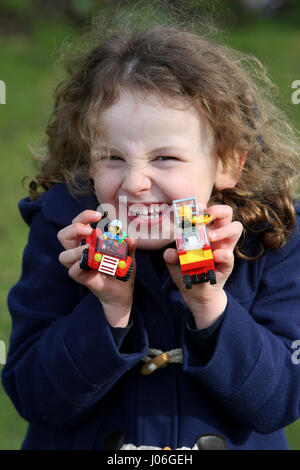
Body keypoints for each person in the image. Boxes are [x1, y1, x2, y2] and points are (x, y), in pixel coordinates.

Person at [2, 22, 300, 450]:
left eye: (166, 157)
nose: (135, 182)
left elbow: (280, 401)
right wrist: (109, 310)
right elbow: (33, 396)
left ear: (228, 164)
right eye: (113, 157)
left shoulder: (272, 237)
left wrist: (210, 305)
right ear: (88, 161)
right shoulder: (65, 232)